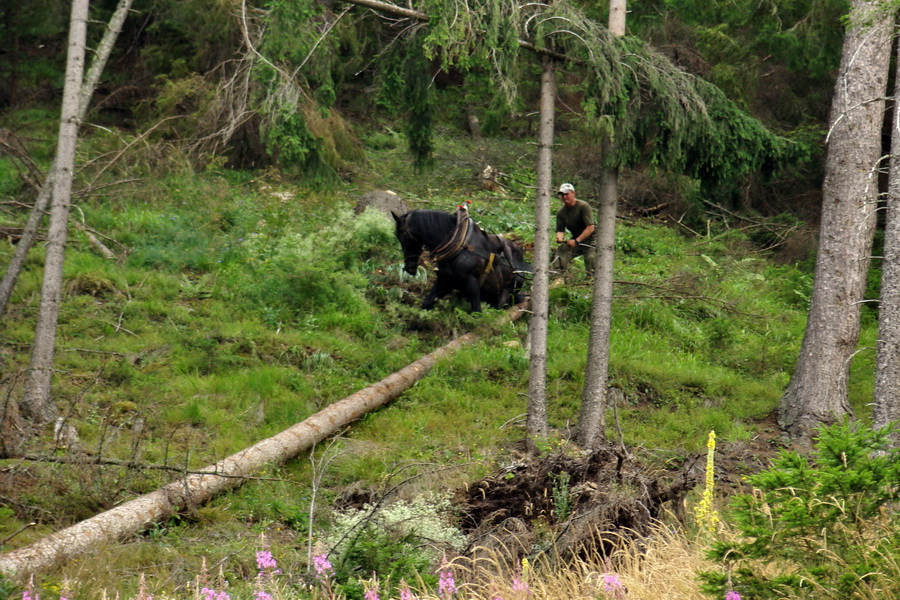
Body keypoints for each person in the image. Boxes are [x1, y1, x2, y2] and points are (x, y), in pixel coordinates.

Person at [554, 183, 597, 276]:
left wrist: (576, 241)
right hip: (577, 237)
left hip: (592, 238)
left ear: (573, 193)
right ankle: (559, 276)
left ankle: (592, 281)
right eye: (562, 195)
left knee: (590, 258)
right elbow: (560, 230)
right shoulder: (561, 212)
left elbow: (590, 227)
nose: (565, 197)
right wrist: (559, 238)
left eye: (567, 194)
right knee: (562, 251)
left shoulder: (583, 206)